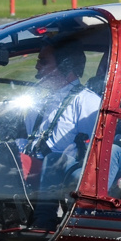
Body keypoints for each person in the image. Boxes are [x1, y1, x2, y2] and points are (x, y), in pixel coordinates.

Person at [24, 41, 102, 225]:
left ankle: (43, 221)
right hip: (34, 168)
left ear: (66, 65)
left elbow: (90, 155)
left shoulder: (88, 103)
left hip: (57, 173)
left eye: (43, 61)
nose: (37, 66)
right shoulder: (40, 102)